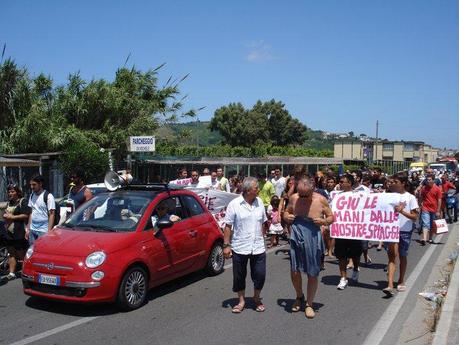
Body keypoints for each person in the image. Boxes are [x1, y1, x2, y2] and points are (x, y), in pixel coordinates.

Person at [283, 177, 334, 319]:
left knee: (312, 271)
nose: (303, 197)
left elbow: (331, 217)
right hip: (297, 234)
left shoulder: (321, 199)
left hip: (313, 235)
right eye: (301, 194)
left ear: (313, 189)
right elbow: (286, 212)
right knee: (294, 269)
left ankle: (309, 304)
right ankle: (299, 296)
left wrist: (324, 221)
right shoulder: (294, 198)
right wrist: (287, 216)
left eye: (306, 195)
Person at [223, 177, 268, 313]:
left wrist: (263, 237)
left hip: (258, 247)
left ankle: (256, 297)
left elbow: (263, 222)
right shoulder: (234, 204)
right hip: (240, 246)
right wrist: (226, 245)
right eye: (256, 188)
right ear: (248, 190)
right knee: (239, 276)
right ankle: (241, 300)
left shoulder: (259, 202)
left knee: (260, 275)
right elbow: (228, 226)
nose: (258, 189)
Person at [383, 172, 419, 296]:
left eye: (395, 182)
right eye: (391, 182)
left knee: (402, 256)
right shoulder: (386, 196)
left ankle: (401, 279)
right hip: (390, 231)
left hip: (404, 231)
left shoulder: (410, 198)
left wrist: (402, 211)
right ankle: (390, 285)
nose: (392, 184)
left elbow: (415, 217)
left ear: (403, 183)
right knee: (392, 256)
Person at [334, 174, 363, 289]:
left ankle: (356, 268)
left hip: (354, 231)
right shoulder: (336, 196)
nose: (340, 183)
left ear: (349, 183)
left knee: (355, 255)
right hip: (340, 230)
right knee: (341, 256)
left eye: (342, 182)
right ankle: (343, 278)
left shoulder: (359, 196)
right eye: (339, 181)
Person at [2, 185, 30, 280]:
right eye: (9, 192)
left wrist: (12, 217)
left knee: (21, 253)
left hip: (19, 232)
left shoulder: (23, 201)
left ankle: (26, 271)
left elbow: (26, 215)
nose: (10, 193)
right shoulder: (9, 203)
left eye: (12, 191)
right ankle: (12, 273)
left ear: (17, 192)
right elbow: (6, 215)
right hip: (9, 232)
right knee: (11, 252)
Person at [26, 175, 56, 245]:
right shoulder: (32, 195)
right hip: (32, 230)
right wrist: (28, 228)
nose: (32, 187)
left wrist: (49, 231)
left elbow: (52, 214)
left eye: (34, 185)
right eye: (31, 185)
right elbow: (31, 212)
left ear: (40, 184)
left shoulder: (48, 196)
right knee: (32, 251)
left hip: (43, 231)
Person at [419, 174, 442, 245]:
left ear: (433, 180)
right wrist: (420, 204)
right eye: (427, 180)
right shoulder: (424, 188)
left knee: (432, 224)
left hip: (434, 209)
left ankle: (430, 238)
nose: (428, 181)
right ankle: (424, 239)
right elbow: (421, 196)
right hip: (425, 208)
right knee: (426, 223)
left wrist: (438, 211)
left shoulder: (437, 189)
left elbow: (439, 200)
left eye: (430, 180)